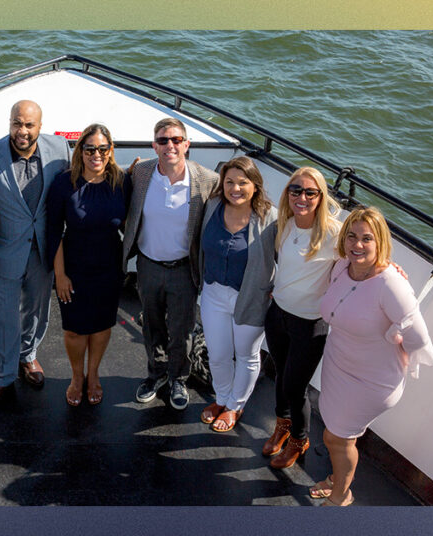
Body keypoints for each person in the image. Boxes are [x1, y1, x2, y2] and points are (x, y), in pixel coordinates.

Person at [314, 206, 433, 506]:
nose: (357, 245)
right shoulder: (343, 266)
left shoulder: (392, 285)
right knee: (342, 436)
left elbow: (419, 338)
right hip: (338, 365)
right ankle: (336, 479)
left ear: (380, 242)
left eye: (367, 239)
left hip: (371, 380)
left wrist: (394, 343)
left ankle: (341, 496)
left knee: (335, 438)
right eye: (352, 236)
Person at [0, 100, 71, 410]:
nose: (22, 131)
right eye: (17, 123)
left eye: (29, 125)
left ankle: (28, 356)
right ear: (9, 122)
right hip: (3, 252)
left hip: (43, 251)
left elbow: (80, 181)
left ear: (40, 126)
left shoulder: (61, 150)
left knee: (37, 312)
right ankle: (2, 377)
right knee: (6, 319)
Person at [122, 118, 218, 410]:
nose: (170, 145)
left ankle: (179, 377)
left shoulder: (207, 180)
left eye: (176, 140)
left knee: (182, 330)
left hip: (183, 269)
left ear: (187, 145)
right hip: (148, 265)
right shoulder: (141, 172)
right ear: (154, 145)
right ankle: (156, 374)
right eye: (163, 140)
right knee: (151, 326)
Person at [260, 168, 340, 469]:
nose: (302, 198)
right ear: (287, 194)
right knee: (280, 374)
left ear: (321, 197)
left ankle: (299, 438)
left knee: (296, 386)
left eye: (310, 192)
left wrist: (393, 270)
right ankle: (282, 424)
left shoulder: (334, 233)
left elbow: (366, 256)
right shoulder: (285, 224)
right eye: (296, 190)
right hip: (278, 314)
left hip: (310, 325)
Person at [45, 124, 128, 406]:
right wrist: (60, 275)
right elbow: (54, 230)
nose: (96, 154)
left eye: (102, 148)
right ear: (80, 150)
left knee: (102, 325)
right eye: (89, 148)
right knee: (75, 329)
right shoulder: (63, 183)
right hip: (74, 266)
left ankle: (94, 376)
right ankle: (76, 377)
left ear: (110, 150)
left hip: (109, 265)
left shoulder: (121, 181)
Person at [198, 156, 278, 433]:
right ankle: (221, 399)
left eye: (242, 182)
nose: (235, 188)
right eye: (229, 182)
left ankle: (235, 405)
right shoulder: (212, 207)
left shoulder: (271, 218)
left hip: (250, 298)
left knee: (246, 354)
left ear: (255, 185)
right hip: (213, 292)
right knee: (218, 354)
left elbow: (291, 254)